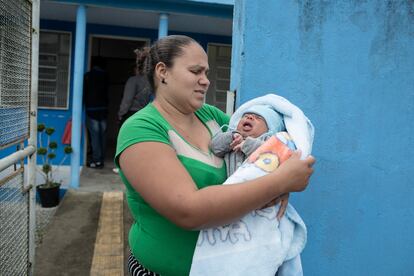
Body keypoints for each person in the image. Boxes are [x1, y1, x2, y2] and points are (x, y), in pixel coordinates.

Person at [115, 35, 315, 276]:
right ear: (162, 72)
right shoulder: (141, 128)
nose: (205, 81)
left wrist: (277, 173)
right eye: (196, 71)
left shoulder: (212, 117)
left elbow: (260, 156)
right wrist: (279, 182)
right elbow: (188, 211)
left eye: (206, 73)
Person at [83, 56, 109, 169]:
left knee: (94, 137)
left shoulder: (88, 76)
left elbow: (84, 94)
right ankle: (101, 160)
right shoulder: (106, 76)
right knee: (102, 136)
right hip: (103, 110)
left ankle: (96, 160)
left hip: (91, 110)